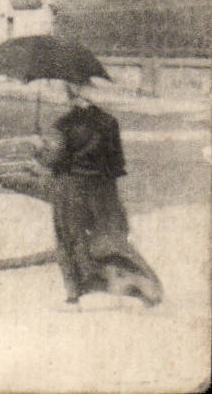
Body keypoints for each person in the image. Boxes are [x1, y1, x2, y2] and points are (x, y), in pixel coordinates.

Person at [33, 82, 163, 307]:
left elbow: (56, 161)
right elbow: (118, 162)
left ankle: (75, 294)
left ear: (71, 94)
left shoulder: (65, 125)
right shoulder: (110, 123)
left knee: (70, 239)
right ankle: (146, 284)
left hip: (71, 190)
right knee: (112, 238)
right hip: (104, 189)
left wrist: (38, 150)